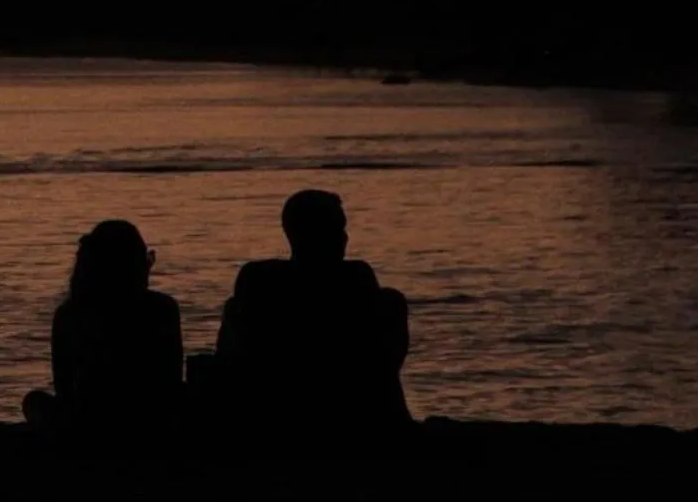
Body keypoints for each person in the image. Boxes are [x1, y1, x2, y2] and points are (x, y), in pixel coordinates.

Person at [210, 189, 411, 444]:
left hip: (267, 417)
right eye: (337, 228)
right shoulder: (355, 278)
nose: (344, 237)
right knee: (392, 300)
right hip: (345, 415)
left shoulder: (257, 280)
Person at [22, 219, 182, 443]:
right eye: (144, 260)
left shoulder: (70, 315)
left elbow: (64, 387)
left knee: (34, 401)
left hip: (89, 424)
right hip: (150, 422)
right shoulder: (163, 309)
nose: (148, 268)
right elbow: (171, 380)